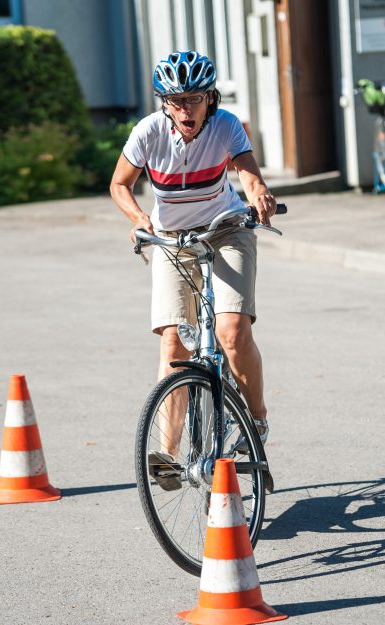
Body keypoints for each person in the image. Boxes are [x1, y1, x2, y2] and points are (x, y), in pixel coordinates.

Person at [109, 50, 277, 489]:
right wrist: (140, 220)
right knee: (173, 346)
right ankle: (168, 455)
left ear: (210, 98)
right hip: (171, 240)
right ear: (165, 103)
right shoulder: (148, 132)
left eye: (195, 99)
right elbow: (120, 184)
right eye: (177, 100)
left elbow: (249, 175)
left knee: (232, 333)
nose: (186, 109)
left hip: (226, 230)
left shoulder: (225, 126)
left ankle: (257, 421)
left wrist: (260, 195)